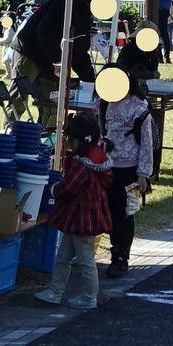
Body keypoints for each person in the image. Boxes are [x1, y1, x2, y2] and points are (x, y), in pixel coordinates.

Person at [34, 110, 110, 311]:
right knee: (64, 256)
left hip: (81, 218)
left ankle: (89, 297)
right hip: (82, 217)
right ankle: (55, 291)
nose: (68, 142)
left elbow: (68, 189)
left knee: (85, 259)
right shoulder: (98, 159)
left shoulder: (82, 165)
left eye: (71, 139)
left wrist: (54, 189)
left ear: (80, 141)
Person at [101, 72, 155, 278]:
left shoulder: (140, 109)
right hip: (108, 168)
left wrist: (144, 173)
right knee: (110, 212)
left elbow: (147, 143)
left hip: (131, 171)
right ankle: (115, 251)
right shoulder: (105, 104)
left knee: (126, 214)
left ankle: (121, 257)